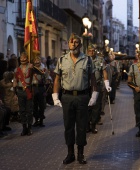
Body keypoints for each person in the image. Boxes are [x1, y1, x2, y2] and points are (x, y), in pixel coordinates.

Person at [52, 33, 98, 165]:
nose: (74, 45)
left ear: (80, 44)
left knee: (82, 126)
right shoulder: (61, 60)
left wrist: (94, 95)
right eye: (72, 42)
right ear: (68, 44)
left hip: (82, 97)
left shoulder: (87, 60)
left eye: (77, 42)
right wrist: (55, 96)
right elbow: (57, 79)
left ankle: (81, 154)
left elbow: (93, 79)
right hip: (67, 97)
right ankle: (70, 153)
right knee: (68, 127)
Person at [86, 44, 112, 134]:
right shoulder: (84, 60)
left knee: (96, 107)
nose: (91, 52)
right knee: (87, 106)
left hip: (97, 86)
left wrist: (107, 84)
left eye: (93, 51)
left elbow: (104, 72)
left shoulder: (100, 60)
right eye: (90, 51)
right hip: (86, 86)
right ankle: (87, 125)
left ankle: (93, 125)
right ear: (87, 51)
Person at [13, 52, 33, 136]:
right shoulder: (17, 70)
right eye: (21, 58)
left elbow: (37, 75)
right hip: (20, 91)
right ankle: (24, 127)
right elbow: (15, 81)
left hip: (29, 91)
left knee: (29, 110)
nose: (23, 59)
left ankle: (29, 128)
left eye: (24, 58)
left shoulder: (31, 67)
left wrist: (32, 69)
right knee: (22, 111)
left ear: (27, 58)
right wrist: (14, 93)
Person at [32, 56, 48, 127]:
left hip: (41, 87)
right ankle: (36, 120)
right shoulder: (32, 69)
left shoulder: (43, 69)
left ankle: (41, 120)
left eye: (38, 60)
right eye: (35, 60)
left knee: (41, 105)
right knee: (34, 105)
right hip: (34, 87)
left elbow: (47, 78)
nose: (37, 62)